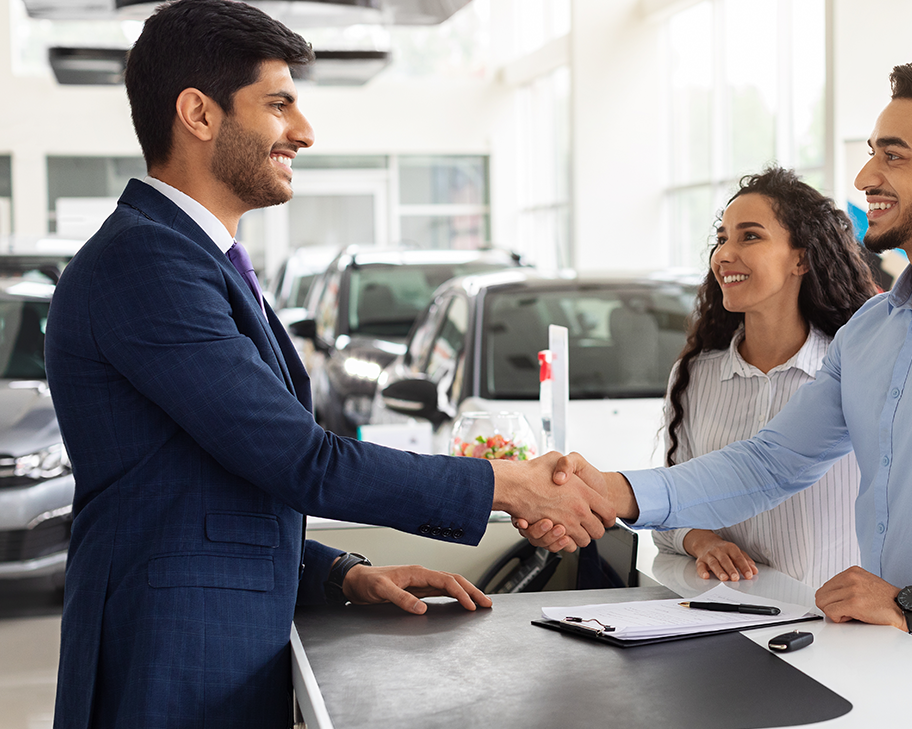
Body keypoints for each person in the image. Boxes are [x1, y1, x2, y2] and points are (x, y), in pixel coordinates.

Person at [43, 2, 613, 727]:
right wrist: (509, 485)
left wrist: (342, 572)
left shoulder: (193, 258)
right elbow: (298, 458)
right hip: (168, 663)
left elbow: (201, 494)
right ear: (198, 113)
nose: (305, 132)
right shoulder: (146, 262)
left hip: (207, 648)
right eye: (279, 105)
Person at [527, 56, 912, 713]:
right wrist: (614, 491)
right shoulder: (871, 331)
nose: (865, 177)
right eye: (873, 152)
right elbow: (772, 462)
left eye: (893, 156)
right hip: (890, 668)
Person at [651, 167, 875, 586]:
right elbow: (669, 509)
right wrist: (703, 542)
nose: (723, 254)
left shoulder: (859, 369)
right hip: (728, 611)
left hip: (834, 618)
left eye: (749, 236)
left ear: (801, 259)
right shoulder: (695, 375)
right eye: (722, 239)